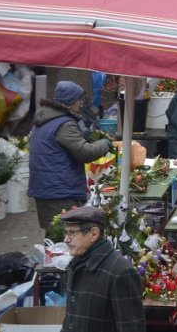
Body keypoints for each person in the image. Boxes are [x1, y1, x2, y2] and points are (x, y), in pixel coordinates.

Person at [29, 81, 112, 238]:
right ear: (70, 101)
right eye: (79, 100)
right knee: (67, 237)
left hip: (44, 188)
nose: (81, 105)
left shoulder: (43, 120)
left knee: (54, 234)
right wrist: (105, 143)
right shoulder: (64, 124)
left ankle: (53, 261)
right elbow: (85, 153)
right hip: (60, 191)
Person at [59, 206, 145, 332]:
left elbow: (132, 327)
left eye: (72, 233)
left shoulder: (120, 272)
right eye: (66, 233)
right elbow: (71, 321)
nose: (66, 239)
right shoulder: (77, 263)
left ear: (94, 234)